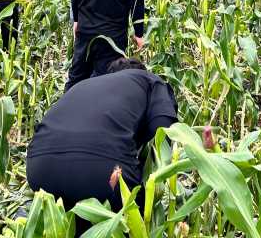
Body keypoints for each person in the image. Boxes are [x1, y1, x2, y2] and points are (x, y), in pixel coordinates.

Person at [27, 58, 177, 236]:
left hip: (39, 168)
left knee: (77, 222)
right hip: (103, 173)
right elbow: (161, 133)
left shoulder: (83, 85)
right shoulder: (150, 80)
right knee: (136, 211)